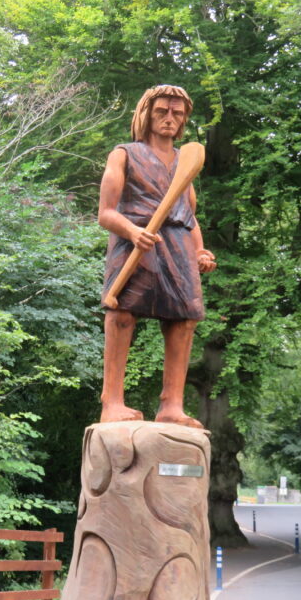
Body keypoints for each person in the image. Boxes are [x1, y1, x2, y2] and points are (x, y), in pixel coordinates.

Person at [98, 84, 217, 428]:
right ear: (146, 114)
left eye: (177, 114)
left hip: (177, 246)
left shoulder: (185, 163)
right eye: (162, 111)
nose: (169, 118)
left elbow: (188, 215)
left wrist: (200, 251)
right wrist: (133, 231)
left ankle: (172, 406)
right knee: (122, 314)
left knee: (184, 320)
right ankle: (112, 402)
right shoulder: (124, 154)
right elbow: (106, 212)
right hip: (136, 242)